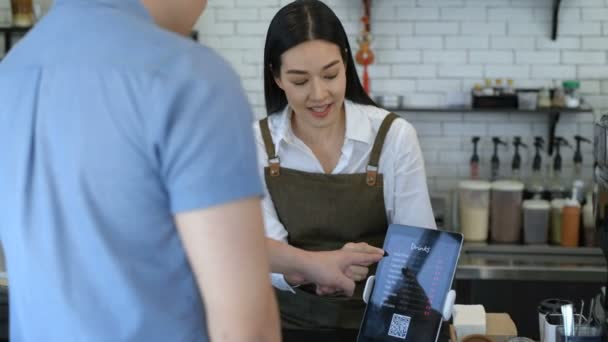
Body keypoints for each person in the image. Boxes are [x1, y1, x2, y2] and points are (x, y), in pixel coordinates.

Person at [0, 0, 381, 341]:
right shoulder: (188, 78)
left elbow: (141, 238)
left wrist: (312, 264)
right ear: (279, 78)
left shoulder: (12, 72)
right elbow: (243, 325)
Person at [255, 0, 437, 330]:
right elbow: (264, 250)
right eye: (299, 80)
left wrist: (356, 266)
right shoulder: (257, 142)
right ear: (277, 77)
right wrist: (315, 268)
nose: (319, 94)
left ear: (346, 63)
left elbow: (420, 248)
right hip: (284, 327)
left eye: (331, 74)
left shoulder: (393, 137)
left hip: (378, 324)